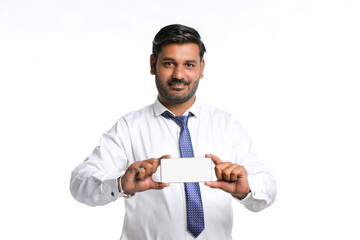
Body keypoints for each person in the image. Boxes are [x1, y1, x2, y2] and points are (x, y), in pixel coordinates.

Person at [70, 24, 277, 240]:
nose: (179, 74)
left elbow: (268, 187)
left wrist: (245, 190)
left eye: (189, 64)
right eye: (169, 64)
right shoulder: (129, 127)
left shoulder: (226, 125)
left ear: (201, 68)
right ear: (153, 64)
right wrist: (120, 184)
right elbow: (79, 183)